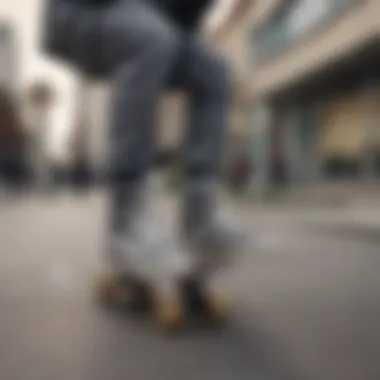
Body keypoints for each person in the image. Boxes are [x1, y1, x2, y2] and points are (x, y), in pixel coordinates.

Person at [43, 0, 252, 268]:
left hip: (142, 23)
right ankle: (125, 223)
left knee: (212, 69)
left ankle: (201, 216)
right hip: (77, 13)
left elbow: (183, 26)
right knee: (149, 37)